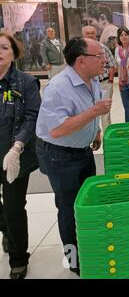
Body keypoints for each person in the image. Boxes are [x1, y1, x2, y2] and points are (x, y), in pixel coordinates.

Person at [36, 37, 111, 276]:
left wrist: (96, 129)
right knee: (68, 209)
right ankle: (74, 260)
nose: (104, 59)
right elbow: (57, 129)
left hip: (82, 151)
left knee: (87, 204)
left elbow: (92, 106)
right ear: (81, 61)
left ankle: (88, 247)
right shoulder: (58, 88)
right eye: (99, 55)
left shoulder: (91, 79)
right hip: (59, 156)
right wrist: (94, 113)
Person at [0, 32, 41, 279]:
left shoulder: (25, 82)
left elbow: (33, 115)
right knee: (7, 213)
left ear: (14, 53)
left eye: (4, 47)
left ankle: (18, 259)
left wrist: (17, 147)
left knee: (14, 206)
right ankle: (6, 228)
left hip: (16, 155)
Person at [82, 26, 117, 133]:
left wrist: (110, 82)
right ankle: (92, 133)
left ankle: (107, 134)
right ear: (83, 34)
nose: (91, 35)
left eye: (92, 33)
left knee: (105, 111)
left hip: (104, 83)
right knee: (88, 110)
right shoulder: (80, 50)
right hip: (87, 85)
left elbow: (112, 65)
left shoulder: (103, 48)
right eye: (88, 33)